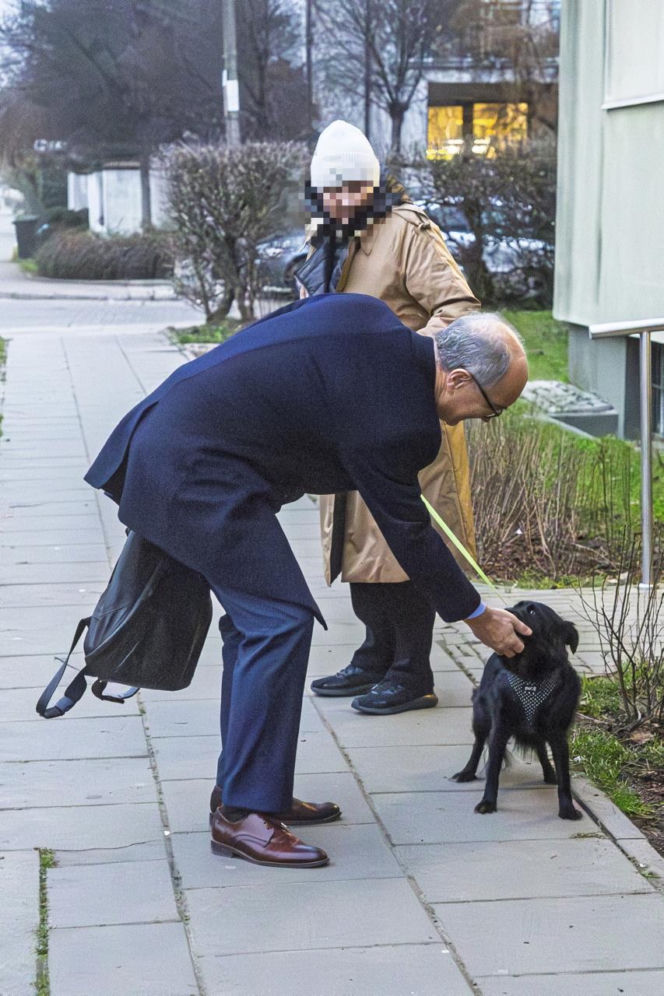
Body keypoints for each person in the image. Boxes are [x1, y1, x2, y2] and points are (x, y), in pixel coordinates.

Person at [85, 293, 531, 869]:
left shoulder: (364, 313)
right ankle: (243, 811)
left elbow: (266, 347)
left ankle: (248, 789)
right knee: (277, 622)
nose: (482, 421)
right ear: (459, 380)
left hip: (174, 430)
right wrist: (478, 616)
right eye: (491, 409)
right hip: (196, 469)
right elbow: (410, 532)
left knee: (262, 624)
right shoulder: (403, 419)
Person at [297, 119, 482, 716]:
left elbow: (457, 310)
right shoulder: (321, 237)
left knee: (404, 548)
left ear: (371, 185)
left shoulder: (407, 232)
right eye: (329, 189)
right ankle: (375, 654)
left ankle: (413, 671)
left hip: (403, 415)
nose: (339, 200)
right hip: (345, 417)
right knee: (355, 545)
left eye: (350, 187)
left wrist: (400, 358)